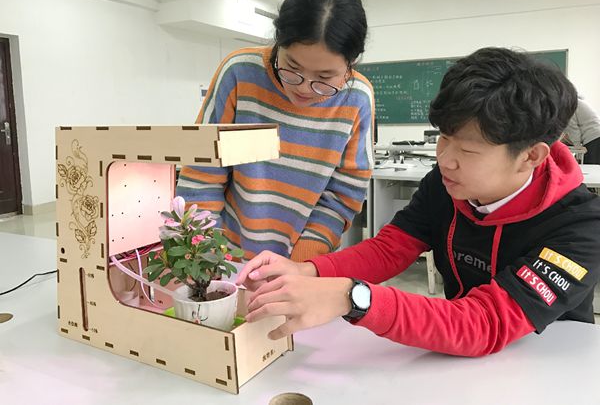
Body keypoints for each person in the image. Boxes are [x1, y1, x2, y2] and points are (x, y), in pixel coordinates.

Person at [236, 47, 600, 357]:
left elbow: (484, 323)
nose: (445, 159)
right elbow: (391, 248)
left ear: (530, 156)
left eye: (468, 150)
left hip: (549, 360)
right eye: (444, 138)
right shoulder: (448, 184)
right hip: (455, 353)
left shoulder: (581, 227)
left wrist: (354, 297)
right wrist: (308, 271)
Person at [176, 0, 374, 262]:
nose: (304, 88)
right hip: (226, 253)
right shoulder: (240, 73)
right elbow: (202, 172)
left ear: (351, 64)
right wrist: (208, 256)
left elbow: (342, 196)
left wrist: (300, 266)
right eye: (292, 67)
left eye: (324, 77)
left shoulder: (357, 98)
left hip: (303, 263)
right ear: (278, 41)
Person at [562, 98, 600, 164]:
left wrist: (578, 148)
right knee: (594, 167)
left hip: (593, 138)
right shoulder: (576, 102)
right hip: (596, 135)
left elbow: (573, 129)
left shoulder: (567, 105)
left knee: (589, 167)